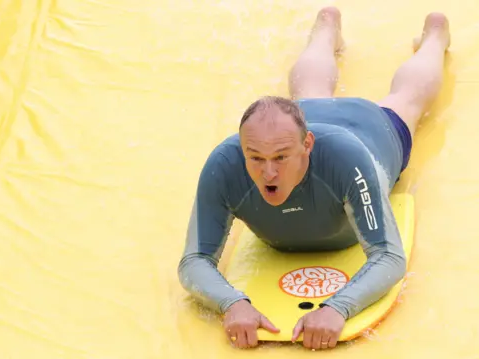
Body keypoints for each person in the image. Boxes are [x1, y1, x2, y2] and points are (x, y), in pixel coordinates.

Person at [177, 6, 451, 350]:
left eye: (280, 158)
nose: (269, 172)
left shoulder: (348, 160)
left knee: (405, 101)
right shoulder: (226, 163)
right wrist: (231, 302)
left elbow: (388, 255)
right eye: (256, 158)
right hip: (304, 116)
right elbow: (193, 261)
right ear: (242, 148)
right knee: (308, 92)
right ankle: (326, 28)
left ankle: (436, 35)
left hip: (370, 131)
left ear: (307, 144)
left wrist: (338, 307)